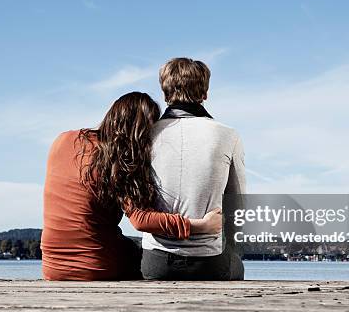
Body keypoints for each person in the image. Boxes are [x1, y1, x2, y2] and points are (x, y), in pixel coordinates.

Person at [41, 92, 222, 281]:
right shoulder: (118, 161)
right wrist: (202, 226)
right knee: (147, 256)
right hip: (95, 265)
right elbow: (141, 219)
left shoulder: (62, 140)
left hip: (51, 266)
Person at [141, 58, 246, 280]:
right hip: (210, 264)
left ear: (165, 93)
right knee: (235, 264)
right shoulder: (227, 135)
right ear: (205, 94)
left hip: (156, 263)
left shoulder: (145, 136)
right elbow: (237, 203)